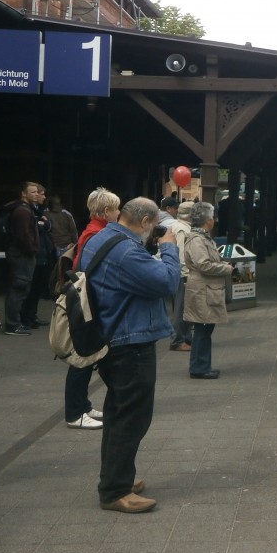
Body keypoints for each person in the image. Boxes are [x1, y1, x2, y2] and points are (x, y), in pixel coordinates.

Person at [82, 197, 180, 513]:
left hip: (112, 336)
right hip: (130, 343)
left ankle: (118, 477)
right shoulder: (126, 251)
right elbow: (167, 281)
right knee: (132, 418)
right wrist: (168, 248)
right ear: (146, 222)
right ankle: (114, 490)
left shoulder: (102, 239)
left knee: (117, 413)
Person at [62, 187, 121, 431]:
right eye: (117, 208)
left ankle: (82, 406)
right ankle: (75, 412)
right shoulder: (99, 234)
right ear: (107, 211)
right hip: (88, 300)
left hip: (85, 298)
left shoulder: (91, 230)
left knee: (86, 356)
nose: (119, 212)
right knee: (83, 358)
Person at [183, 202, 231, 379]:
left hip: (205, 288)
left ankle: (202, 365)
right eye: (212, 216)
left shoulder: (202, 237)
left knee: (205, 329)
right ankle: (199, 367)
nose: (214, 219)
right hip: (202, 289)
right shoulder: (197, 239)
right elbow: (203, 264)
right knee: (203, 329)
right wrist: (224, 268)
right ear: (208, 220)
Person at [0, 181, 42, 335]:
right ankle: (13, 324)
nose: (36, 194)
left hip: (20, 253)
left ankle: (15, 322)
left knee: (19, 287)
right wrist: (32, 249)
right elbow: (23, 235)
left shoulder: (24, 209)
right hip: (21, 254)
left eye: (37, 192)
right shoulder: (23, 211)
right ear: (24, 193)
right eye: (32, 192)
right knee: (19, 288)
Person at [21, 183, 54, 330]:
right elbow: (35, 228)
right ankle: (25, 318)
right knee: (30, 288)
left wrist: (44, 225)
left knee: (37, 288)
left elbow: (48, 225)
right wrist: (42, 225)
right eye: (40, 193)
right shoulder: (26, 210)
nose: (42, 196)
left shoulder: (38, 210)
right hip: (35, 253)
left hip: (43, 253)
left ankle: (32, 316)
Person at [168, 200, 194, 352]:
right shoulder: (183, 230)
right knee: (181, 308)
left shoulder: (176, 226)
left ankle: (185, 337)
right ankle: (178, 339)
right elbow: (182, 254)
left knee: (184, 307)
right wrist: (186, 274)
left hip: (176, 272)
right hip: (182, 274)